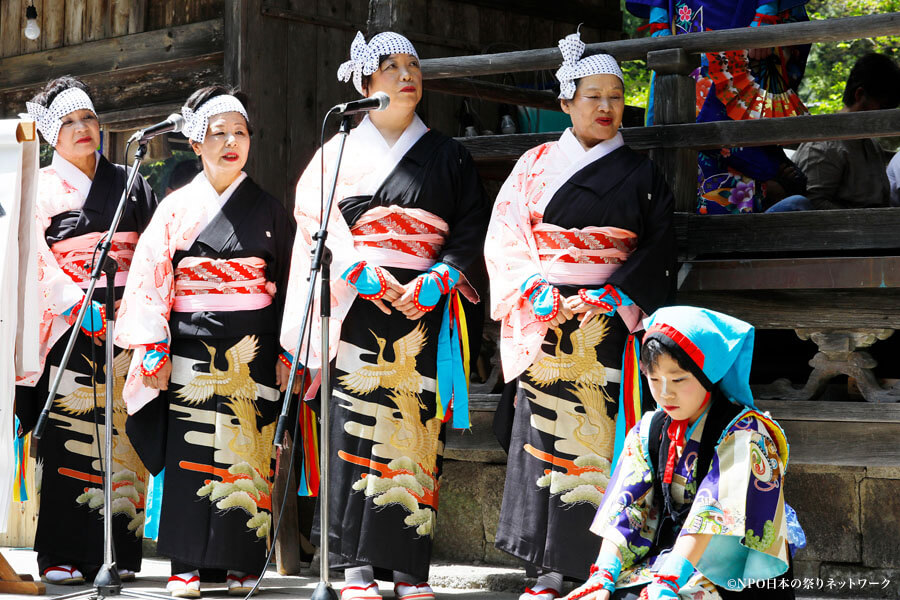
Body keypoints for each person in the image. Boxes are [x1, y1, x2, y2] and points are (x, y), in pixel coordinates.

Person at [280, 31, 489, 600]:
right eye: (392, 66)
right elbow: (313, 215)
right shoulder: (339, 150)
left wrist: (439, 275)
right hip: (359, 304)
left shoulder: (448, 155)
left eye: (414, 65)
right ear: (365, 83)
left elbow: (469, 225)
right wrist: (357, 271)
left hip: (423, 304)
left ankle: (409, 566)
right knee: (352, 425)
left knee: (415, 430)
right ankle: (354, 566)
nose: (407, 75)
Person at [484, 30, 675, 600]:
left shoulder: (642, 175)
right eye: (593, 96)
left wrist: (617, 293)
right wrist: (537, 289)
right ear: (566, 101)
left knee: (604, 439)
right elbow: (505, 238)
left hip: (610, 316)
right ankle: (543, 568)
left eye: (615, 97)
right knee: (544, 437)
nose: (606, 107)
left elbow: (659, 247)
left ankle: (602, 562)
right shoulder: (535, 164)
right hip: (544, 312)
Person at [114, 86, 296, 598]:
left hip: (253, 350)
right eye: (219, 134)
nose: (231, 142)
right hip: (189, 347)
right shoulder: (176, 208)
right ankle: (186, 567)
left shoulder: (271, 212)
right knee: (188, 450)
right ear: (197, 144)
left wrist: (288, 349)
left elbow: (291, 284)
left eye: (240, 133)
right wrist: (152, 344)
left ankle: (240, 563)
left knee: (245, 452)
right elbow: (150, 279)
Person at [14, 76, 158, 584]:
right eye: (70, 121)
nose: (83, 128)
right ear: (52, 133)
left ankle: (118, 554)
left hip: (126, 320)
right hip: (68, 325)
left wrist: (138, 315)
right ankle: (61, 552)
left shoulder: (132, 181)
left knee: (121, 434)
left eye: (89, 118)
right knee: (70, 435)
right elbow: (31, 255)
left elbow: (151, 255)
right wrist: (75, 304)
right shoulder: (41, 186)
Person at [564, 306, 802, 600]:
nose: (665, 394)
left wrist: (669, 580)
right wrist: (603, 575)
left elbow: (714, 511)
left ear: (707, 374)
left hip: (733, 566)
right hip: (670, 554)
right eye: (654, 379)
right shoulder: (650, 428)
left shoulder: (746, 433)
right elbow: (626, 504)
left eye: (678, 380)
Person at [626, 0, 811, 214]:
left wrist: (765, 14)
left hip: (746, 32)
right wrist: (658, 18)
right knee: (674, 151)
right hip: (684, 32)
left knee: (739, 161)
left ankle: (735, 237)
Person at [767, 53, 900, 212]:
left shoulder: (870, 144)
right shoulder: (826, 143)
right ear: (859, 95)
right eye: (882, 107)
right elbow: (812, 203)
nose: (884, 116)